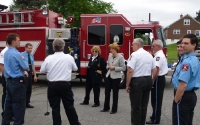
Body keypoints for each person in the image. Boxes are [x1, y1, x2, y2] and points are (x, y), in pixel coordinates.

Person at [40, 38, 81, 125]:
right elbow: (75, 68)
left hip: (52, 85)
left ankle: (57, 123)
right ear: (63, 47)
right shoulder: (69, 57)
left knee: (55, 108)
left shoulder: (48, 58)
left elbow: (42, 70)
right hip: (65, 85)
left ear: (53, 47)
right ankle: (75, 123)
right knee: (69, 106)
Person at [126, 38, 156, 125]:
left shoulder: (134, 55)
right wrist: (152, 80)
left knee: (136, 106)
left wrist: (127, 84)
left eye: (132, 45)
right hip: (147, 79)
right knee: (144, 105)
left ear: (137, 45)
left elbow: (130, 70)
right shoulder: (149, 55)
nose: (132, 46)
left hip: (137, 81)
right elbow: (154, 69)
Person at [172, 34, 200, 125]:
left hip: (183, 96)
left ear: (194, 45)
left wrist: (176, 100)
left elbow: (183, 84)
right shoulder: (193, 58)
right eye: (182, 43)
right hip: (189, 96)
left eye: (186, 43)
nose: (183, 45)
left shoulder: (187, 62)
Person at [1, 33, 29, 125]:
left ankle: (5, 123)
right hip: (17, 83)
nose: (19, 42)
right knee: (19, 107)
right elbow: (26, 67)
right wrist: (22, 68)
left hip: (9, 81)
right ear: (13, 42)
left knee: (8, 106)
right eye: (18, 41)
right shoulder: (17, 54)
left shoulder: (6, 52)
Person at [146, 39, 168, 124]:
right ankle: (154, 115)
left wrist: (152, 81)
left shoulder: (159, 56)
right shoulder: (158, 55)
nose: (152, 47)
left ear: (159, 47)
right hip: (158, 78)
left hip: (158, 79)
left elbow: (156, 69)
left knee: (156, 100)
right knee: (154, 99)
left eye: (153, 46)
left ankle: (155, 119)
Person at [100, 42, 125, 114]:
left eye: (112, 49)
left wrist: (114, 68)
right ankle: (106, 107)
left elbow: (123, 68)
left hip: (116, 77)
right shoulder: (110, 56)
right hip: (109, 75)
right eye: (110, 49)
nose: (111, 50)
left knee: (115, 93)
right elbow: (107, 64)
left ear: (116, 49)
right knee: (107, 92)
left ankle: (114, 109)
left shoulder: (120, 57)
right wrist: (107, 67)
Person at [21, 43, 37, 108]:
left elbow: (33, 66)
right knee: (24, 89)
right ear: (25, 48)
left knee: (29, 89)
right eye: (29, 48)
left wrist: (35, 75)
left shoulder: (31, 55)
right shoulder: (22, 55)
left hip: (30, 73)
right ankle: (23, 103)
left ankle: (27, 102)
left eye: (31, 48)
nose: (30, 49)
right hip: (24, 73)